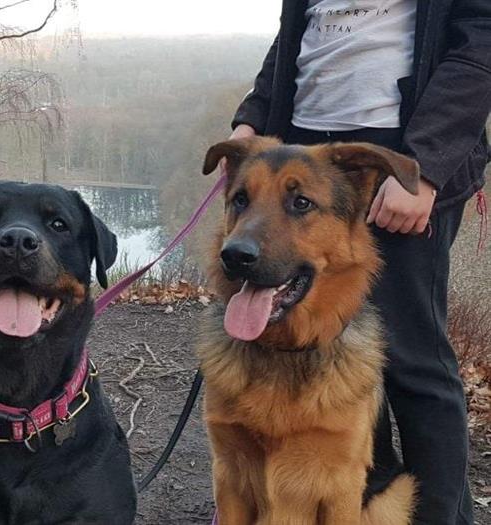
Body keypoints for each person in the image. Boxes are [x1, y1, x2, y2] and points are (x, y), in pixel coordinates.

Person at [225, 2, 490, 524]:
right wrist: (253, 116)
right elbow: (296, 32)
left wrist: (425, 166)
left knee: (411, 359)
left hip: (395, 151)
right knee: (316, 347)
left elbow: (481, 37)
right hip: (299, 141)